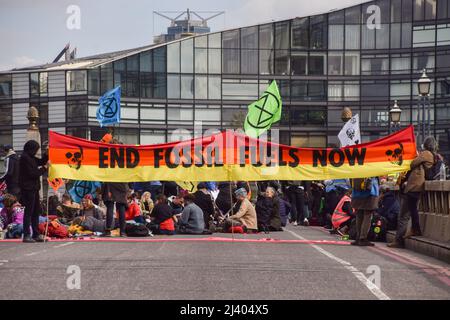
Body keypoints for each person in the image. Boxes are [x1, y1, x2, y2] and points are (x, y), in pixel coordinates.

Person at [388, 137, 437, 248]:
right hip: (416, 187)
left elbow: (412, 164)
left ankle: (401, 239)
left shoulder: (425, 154)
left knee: (403, 215)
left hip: (415, 187)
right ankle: (414, 229)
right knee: (411, 210)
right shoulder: (430, 155)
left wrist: (414, 156)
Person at [19, 140, 48, 243]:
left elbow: (40, 161)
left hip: (34, 188)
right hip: (28, 189)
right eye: (35, 149)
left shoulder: (30, 157)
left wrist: (46, 154)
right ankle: (26, 235)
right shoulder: (24, 158)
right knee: (29, 212)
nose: (36, 152)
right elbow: (33, 173)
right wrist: (44, 169)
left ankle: (36, 234)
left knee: (36, 211)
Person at [351, 177, 380, 246]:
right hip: (369, 192)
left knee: (359, 215)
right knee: (367, 215)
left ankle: (358, 237)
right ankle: (363, 238)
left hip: (357, 192)